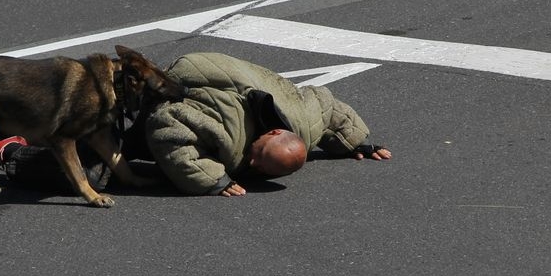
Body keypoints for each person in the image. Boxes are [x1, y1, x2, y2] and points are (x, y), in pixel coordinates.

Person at [142, 52, 390, 196]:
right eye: (258, 155)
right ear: (274, 132)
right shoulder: (227, 132)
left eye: (262, 168)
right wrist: (213, 179)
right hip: (200, 68)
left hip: (239, 82)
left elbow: (330, 110)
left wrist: (353, 142)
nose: (251, 163)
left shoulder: (303, 124)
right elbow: (166, 124)